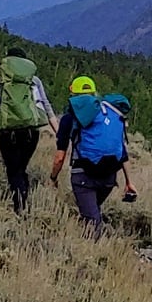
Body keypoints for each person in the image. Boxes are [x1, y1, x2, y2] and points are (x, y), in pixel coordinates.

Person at [50, 74, 129, 238]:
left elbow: (59, 157)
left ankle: (96, 254)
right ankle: (90, 241)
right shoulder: (110, 113)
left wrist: (53, 178)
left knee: (92, 222)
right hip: (109, 176)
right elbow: (122, 150)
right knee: (92, 213)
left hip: (83, 176)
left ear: (73, 95)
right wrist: (129, 182)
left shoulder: (69, 118)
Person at [0, 47, 54, 214]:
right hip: (31, 132)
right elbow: (45, 104)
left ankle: (19, 205)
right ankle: (24, 199)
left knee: (12, 169)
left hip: (8, 132)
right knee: (21, 167)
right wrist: (58, 132)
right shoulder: (34, 80)